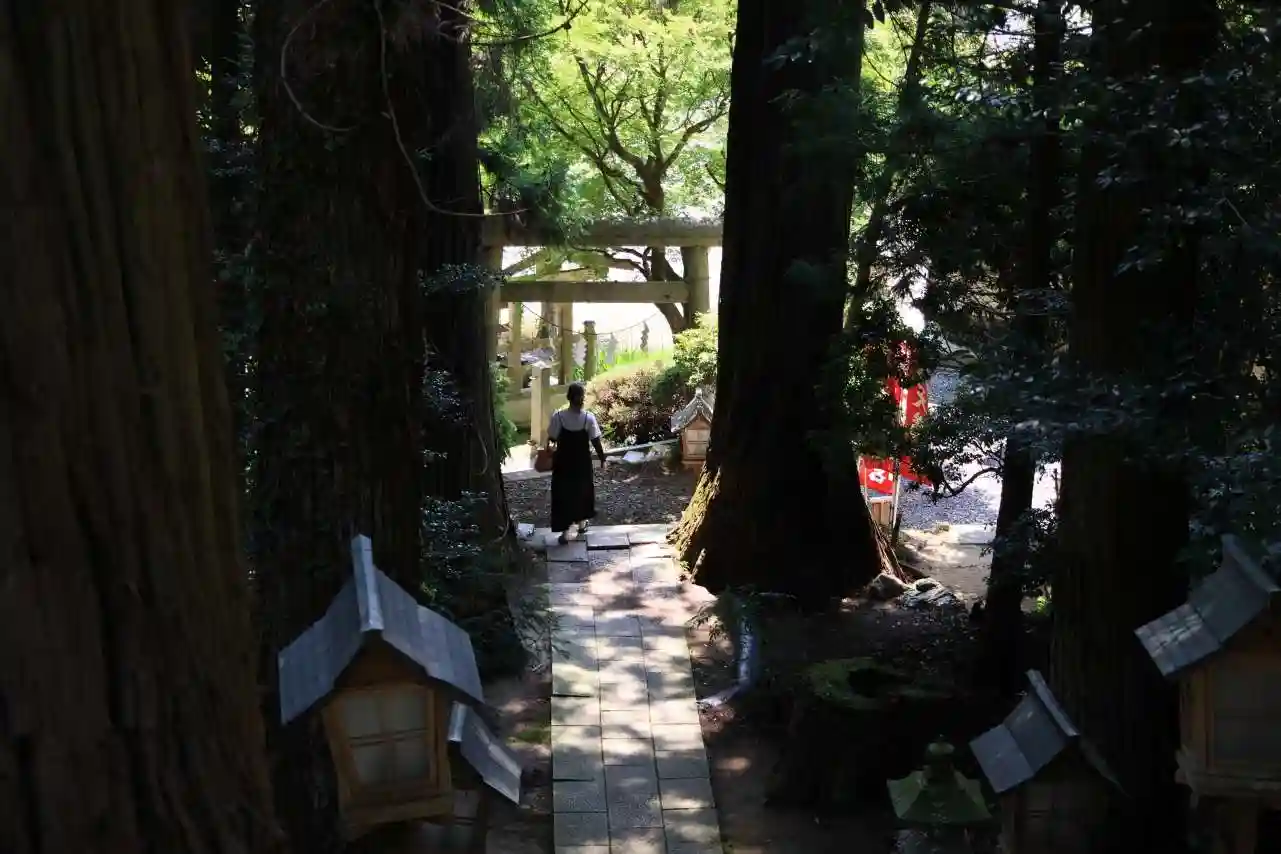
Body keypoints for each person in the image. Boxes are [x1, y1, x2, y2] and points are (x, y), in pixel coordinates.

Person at [547, 382, 606, 544]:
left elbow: (551, 439)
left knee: (563, 494)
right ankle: (581, 524)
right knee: (582, 492)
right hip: (582, 464)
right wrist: (602, 459)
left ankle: (565, 532)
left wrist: (547, 453)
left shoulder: (558, 417)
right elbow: (596, 441)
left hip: (563, 464)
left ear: (568, 397)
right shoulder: (588, 418)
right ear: (582, 398)